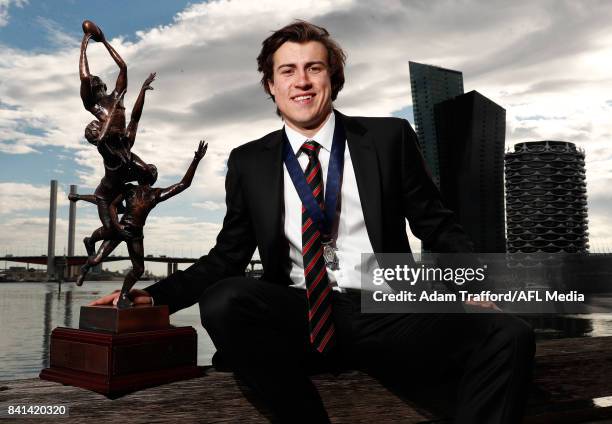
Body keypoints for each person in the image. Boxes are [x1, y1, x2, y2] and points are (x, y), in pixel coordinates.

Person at [91, 20, 534, 423]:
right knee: (225, 300)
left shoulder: (387, 138)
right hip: (299, 316)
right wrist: (153, 297)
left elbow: (435, 224)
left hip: (386, 311)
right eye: (287, 71)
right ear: (270, 84)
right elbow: (226, 257)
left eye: (314, 68)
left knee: (508, 334)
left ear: (332, 80)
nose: (301, 81)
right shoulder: (248, 161)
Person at [73, 141, 207, 306]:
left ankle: (123, 295)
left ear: (153, 177)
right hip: (120, 228)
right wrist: (118, 226)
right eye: (149, 168)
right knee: (96, 260)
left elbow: (183, 184)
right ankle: (86, 266)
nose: (151, 169)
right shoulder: (128, 189)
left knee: (139, 269)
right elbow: (113, 206)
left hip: (136, 234)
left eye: (153, 169)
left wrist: (196, 160)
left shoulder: (155, 194)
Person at [79, 21, 157, 254]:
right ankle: (101, 230)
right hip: (112, 150)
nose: (93, 80)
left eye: (95, 80)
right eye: (91, 82)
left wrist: (103, 41)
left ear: (101, 83)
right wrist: (85, 42)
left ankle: (127, 204)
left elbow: (123, 67)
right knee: (111, 214)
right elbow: (83, 77)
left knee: (149, 175)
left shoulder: (117, 96)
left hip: (125, 146)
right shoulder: (93, 105)